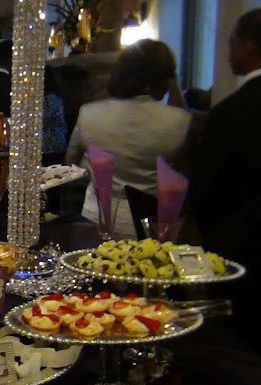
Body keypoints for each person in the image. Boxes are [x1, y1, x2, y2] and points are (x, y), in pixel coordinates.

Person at [187, 9, 261, 381]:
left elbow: (205, 191)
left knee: (243, 358)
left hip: (239, 252)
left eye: (231, 42)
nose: (229, 51)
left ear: (248, 46)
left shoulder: (230, 114)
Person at [65, 38, 191, 239]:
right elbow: (184, 174)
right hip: (150, 223)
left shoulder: (88, 113)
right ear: (156, 81)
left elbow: (70, 162)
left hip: (95, 218)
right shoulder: (179, 120)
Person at [42, 65, 68, 166]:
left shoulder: (50, 100)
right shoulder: (54, 98)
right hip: (54, 146)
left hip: (50, 147)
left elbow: (43, 120)